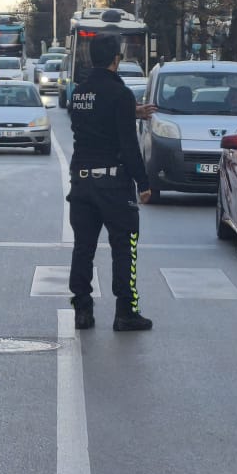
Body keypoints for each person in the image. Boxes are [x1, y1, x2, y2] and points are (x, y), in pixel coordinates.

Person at [65, 35, 153, 331]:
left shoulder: (79, 93)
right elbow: (128, 144)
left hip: (81, 183)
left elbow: (93, 123)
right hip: (114, 185)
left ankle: (82, 309)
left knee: (83, 247)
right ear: (117, 59)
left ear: (91, 59)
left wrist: (131, 113)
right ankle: (126, 311)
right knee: (124, 246)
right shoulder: (120, 94)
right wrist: (143, 182)